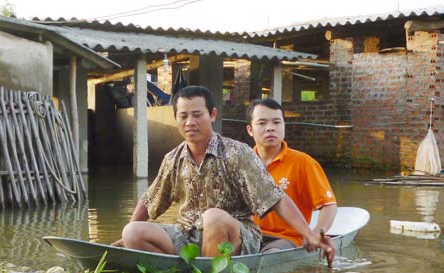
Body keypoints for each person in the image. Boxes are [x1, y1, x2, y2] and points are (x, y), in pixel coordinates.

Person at [119, 86, 333, 264]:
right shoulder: (172, 159)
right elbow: (150, 200)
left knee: (213, 217)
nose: (190, 122)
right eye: (183, 116)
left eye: (197, 115)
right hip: (187, 235)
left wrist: (309, 233)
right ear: (175, 118)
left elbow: (275, 198)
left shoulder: (237, 152)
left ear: (212, 115)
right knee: (133, 233)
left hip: (237, 235)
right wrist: (122, 240)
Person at [246, 98, 337, 253]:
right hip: (249, 235)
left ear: (284, 126)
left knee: (271, 257)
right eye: (262, 123)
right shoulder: (242, 162)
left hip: (287, 239)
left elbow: (328, 205)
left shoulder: (304, 163)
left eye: (276, 122)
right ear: (250, 130)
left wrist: (316, 233)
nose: (270, 128)